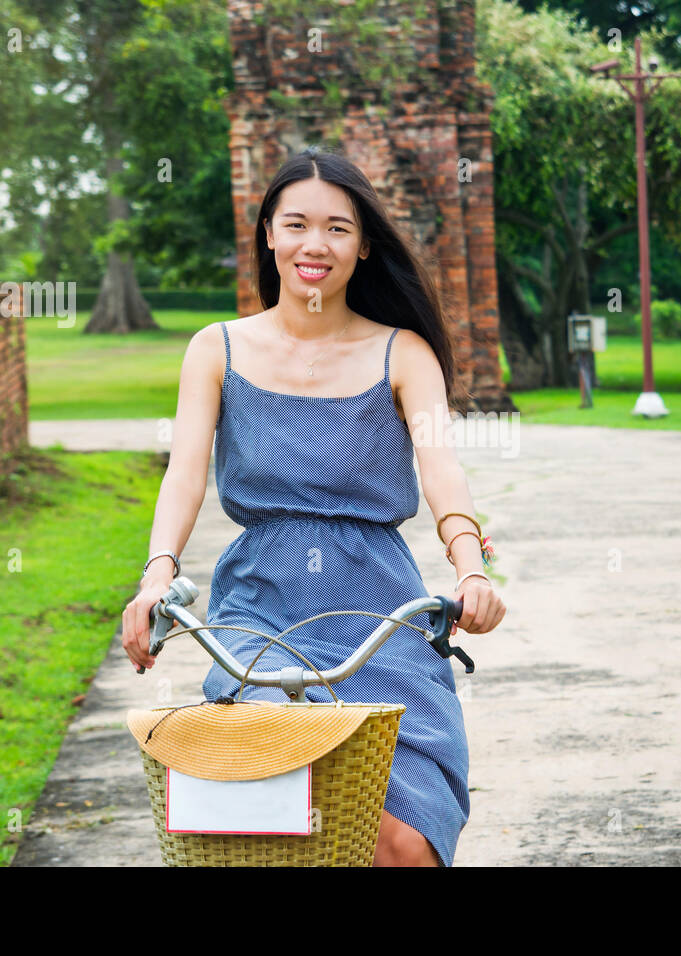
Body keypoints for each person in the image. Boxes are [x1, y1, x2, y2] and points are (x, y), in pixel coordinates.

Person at [120, 145, 506, 867]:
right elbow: (184, 475)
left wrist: (471, 569)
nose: (314, 245)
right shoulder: (216, 349)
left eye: (337, 228)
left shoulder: (404, 353)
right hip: (258, 612)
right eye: (296, 224)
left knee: (403, 843)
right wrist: (155, 578)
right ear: (268, 232)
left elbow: (441, 468)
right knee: (269, 811)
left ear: (362, 248)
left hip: (378, 610)